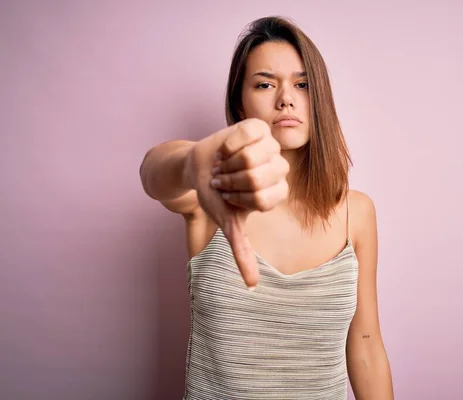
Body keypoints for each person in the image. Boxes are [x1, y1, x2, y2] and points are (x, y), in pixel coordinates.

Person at [140, 15, 394, 400]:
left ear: (319, 98)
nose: (286, 98)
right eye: (264, 84)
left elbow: (366, 343)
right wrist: (192, 162)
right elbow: (154, 174)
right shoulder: (209, 196)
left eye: (302, 84)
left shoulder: (356, 213)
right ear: (240, 105)